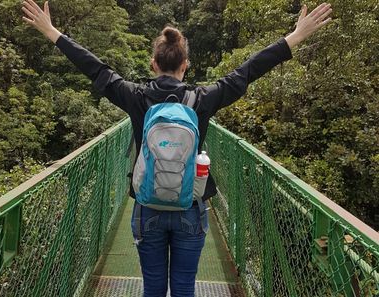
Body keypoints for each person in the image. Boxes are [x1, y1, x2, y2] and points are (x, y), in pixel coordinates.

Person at [21, 1, 332, 296]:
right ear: (186, 65)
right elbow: (247, 72)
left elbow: (97, 70)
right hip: (190, 207)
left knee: (153, 290)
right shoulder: (203, 98)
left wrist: (52, 31)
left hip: (147, 208)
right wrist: (295, 36)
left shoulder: (136, 96)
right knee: (184, 290)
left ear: (153, 64)